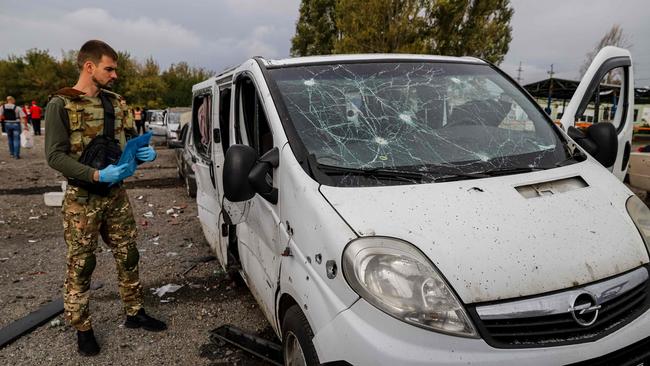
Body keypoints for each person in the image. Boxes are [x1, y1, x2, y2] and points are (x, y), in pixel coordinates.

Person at [44, 40, 166, 357]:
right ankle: (83, 328)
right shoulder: (61, 104)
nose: (114, 75)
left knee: (128, 254)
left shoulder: (115, 103)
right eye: (108, 68)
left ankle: (134, 311)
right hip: (82, 199)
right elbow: (55, 157)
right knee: (82, 264)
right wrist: (96, 175)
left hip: (115, 195)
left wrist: (142, 155)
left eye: (115, 69)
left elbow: (124, 149)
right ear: (89, 67)